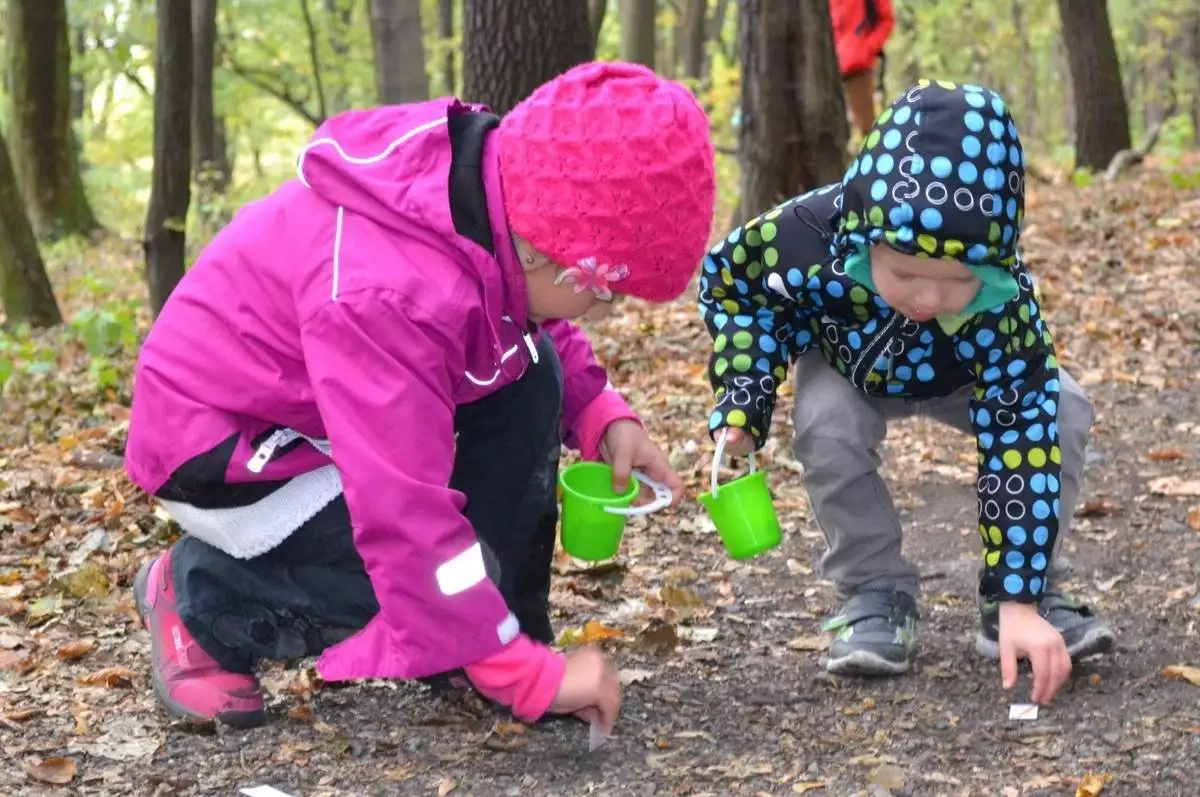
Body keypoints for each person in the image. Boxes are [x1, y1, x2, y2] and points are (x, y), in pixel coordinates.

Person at [124, 61, 716, 731]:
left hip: (325, 406)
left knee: (535, 369)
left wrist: (597, 408)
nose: (603, 311)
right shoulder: (387, 292)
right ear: (543, 251)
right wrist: (523, 678)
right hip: (223, 443)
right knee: (414, 577)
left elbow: (518, 321)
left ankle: (494, 635)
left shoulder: (492, 201)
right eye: (603, 291)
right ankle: (201, 598)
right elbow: (401, 513)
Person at [698, 80, 1114, 705]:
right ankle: (875, 591)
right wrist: (746, 392)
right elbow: (735, 288)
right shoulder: (809, 235)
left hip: (962, 375)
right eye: (906, 275)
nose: (926, 299)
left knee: (1058, 408)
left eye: (954, 284)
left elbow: (1021, 430)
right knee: (827, 426)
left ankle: (1023, 597)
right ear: (867, 234)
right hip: (848, 363)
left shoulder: (1003, 307)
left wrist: (1017, 594)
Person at [830, 0, 895, 137]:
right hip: (826, 71)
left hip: (859, 70)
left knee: (869, 131)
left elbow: (887, 21)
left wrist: (867, 49)